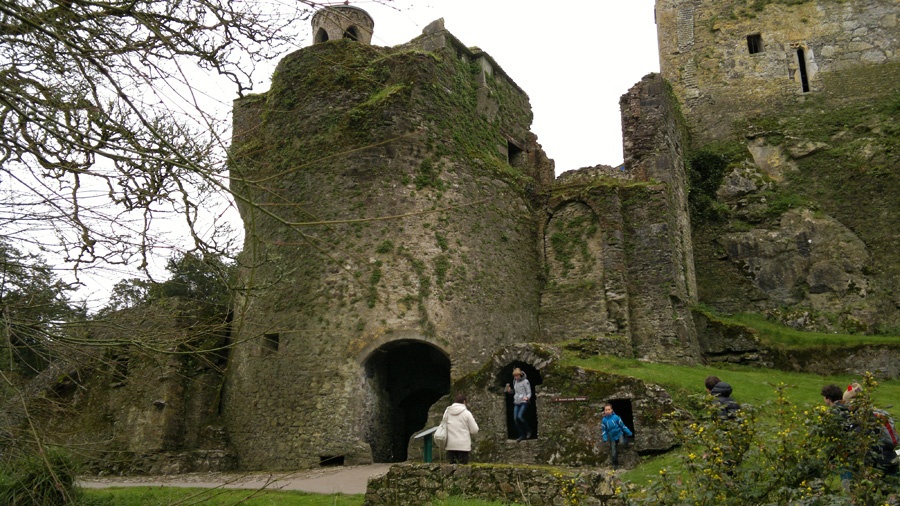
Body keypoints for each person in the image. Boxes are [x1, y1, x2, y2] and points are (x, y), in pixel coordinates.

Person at [440, 393, 479, 464]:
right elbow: (474, 430)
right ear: (464, 402)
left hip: (450, 444)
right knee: (463, 468)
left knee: (451, 469)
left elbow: (443, 425)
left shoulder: (447, 412)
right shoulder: (467, 413)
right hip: (463, 446)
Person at [600, 403, 633, 469]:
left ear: (611, 410)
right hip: (612, 437)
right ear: (604, 411)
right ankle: (615, 464)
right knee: (613, 451)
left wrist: (629, 432)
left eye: (609, 409)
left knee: (622, 443)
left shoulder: (616, 417)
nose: (607, 411)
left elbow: (622, 426)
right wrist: (605, 438)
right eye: (606, 410)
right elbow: (604, 430)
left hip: (619, 433)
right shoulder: (604, 420)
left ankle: (626, 439)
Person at [505, 367, 532, 441]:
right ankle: (522, 435)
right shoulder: (515, 382)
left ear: (520, 375)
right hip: (516, 402)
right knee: (515, 419)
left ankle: (528, 430)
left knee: (520, 417)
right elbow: (515, 392)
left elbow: (529, 392)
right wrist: (510, 391)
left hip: (524, 401)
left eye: (517, 376)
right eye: (515, 376)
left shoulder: (526, 381)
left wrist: (527, 397)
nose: (516, 377)